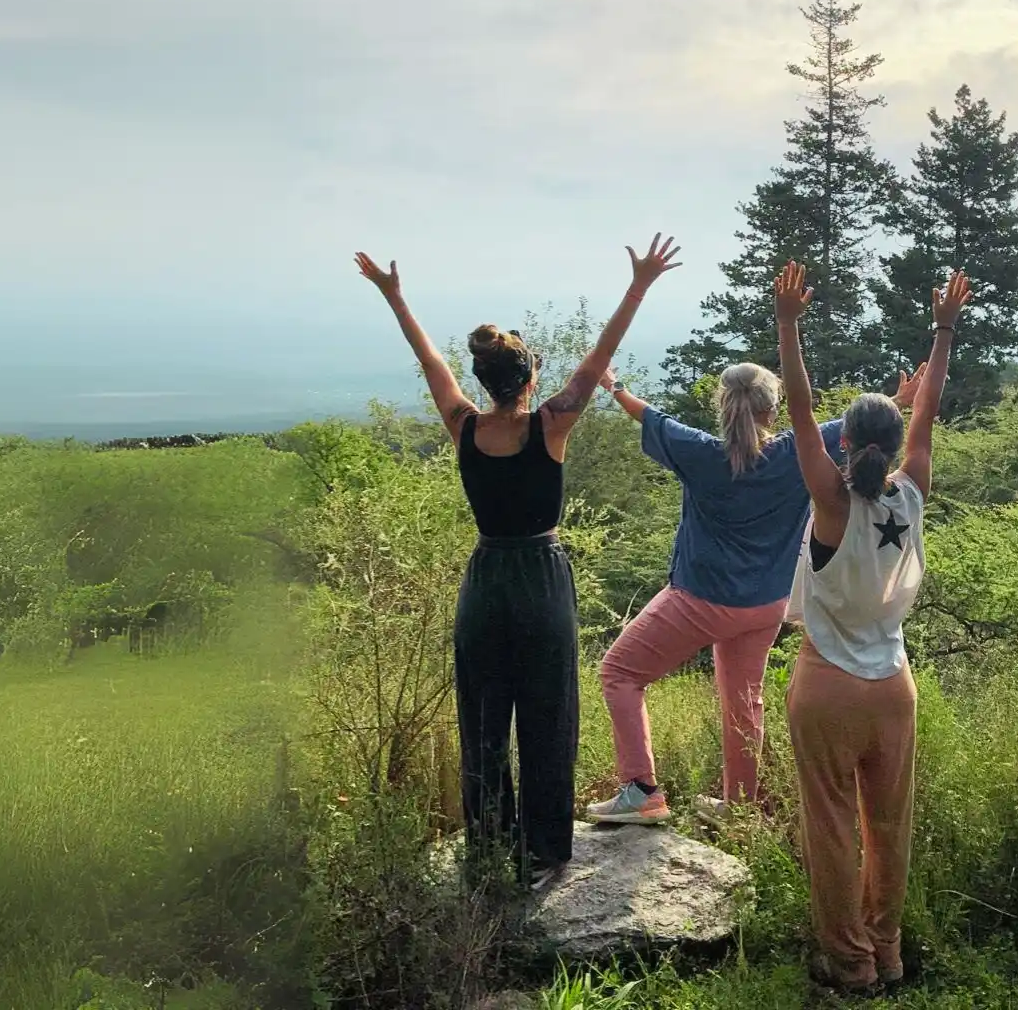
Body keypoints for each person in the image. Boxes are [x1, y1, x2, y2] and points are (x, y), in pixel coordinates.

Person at [355, 235, 682, 892]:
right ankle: (544, 853)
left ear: (483, 381)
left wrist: (395, 297)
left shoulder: (464, 426)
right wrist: (639, 285)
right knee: (547, 715)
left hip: (485, 582)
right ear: (531, 379)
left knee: (482, 719)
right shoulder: (550, 425)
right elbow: (599, 359)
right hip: (541, 579)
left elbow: (429, 361)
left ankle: (488, 850)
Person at [589, 359, 925, 826]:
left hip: (701, 598)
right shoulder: (794, 452)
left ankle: (641, 791)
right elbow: (850, 426)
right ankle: (739, 806)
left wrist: (613, 384)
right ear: (772, 410)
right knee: (743, 700)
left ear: (723, 405)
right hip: (766, 604)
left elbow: (648, 415)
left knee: (620, 671)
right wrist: (899, 400)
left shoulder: (698, 452)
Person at [776, 261, 971, 995]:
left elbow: (800, 410)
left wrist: (788, 325)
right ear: (892, 446)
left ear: (845, 442)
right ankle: (887, 952)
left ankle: (850, 966)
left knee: (831, 827)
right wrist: (943, 330)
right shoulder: (911, 491)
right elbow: (929, 412)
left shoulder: (831, 501)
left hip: (827, 684)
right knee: (890, 827)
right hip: (893, 685)